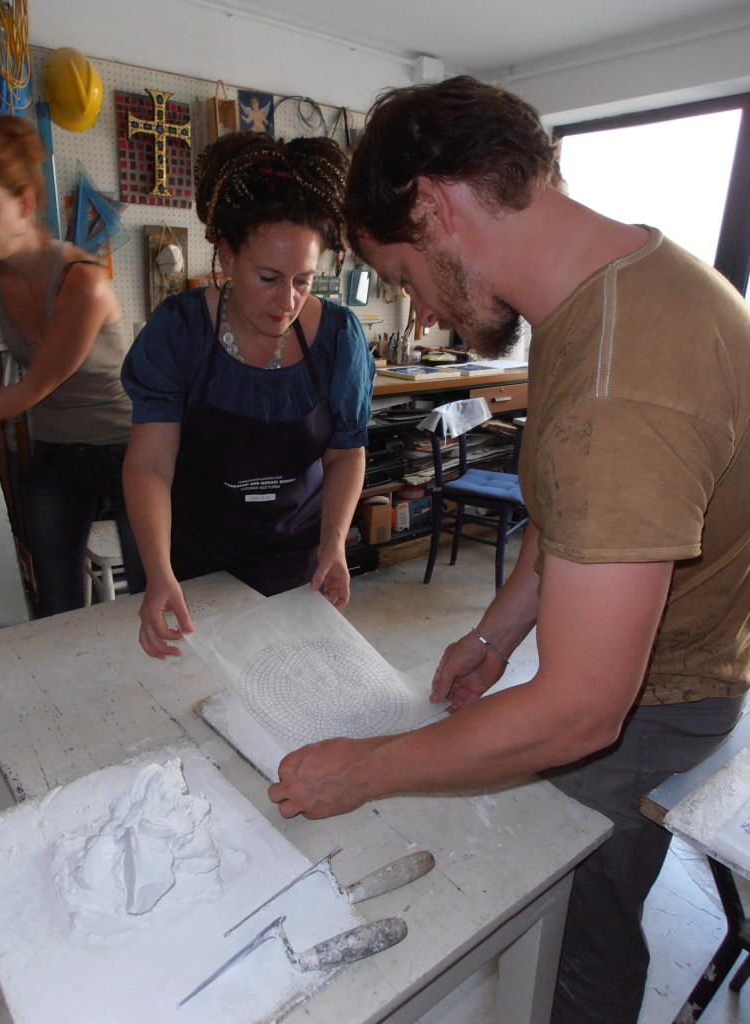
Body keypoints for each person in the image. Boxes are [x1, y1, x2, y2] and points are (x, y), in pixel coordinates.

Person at [267, 77, 750, 1024]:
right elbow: (575, 512)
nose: (421, 309)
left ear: (432, 205)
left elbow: (579, 711)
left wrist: (361, 768)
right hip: (657, 658)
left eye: (404, 275)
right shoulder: (617, 283)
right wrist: (495, 635)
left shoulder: (620, 383)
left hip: (665, 697)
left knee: (570, 921)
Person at [122, 132, 373, 660]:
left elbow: (346, 452)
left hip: (297, 560)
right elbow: (150, 465)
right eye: (268, 278)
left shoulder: (338, 338)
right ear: (228, 254)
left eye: (304, 280)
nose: (287, 300)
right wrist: (159, 570)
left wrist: (334, 542)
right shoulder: (180, 331)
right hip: (191, 564)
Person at [0, 115, 145, 617]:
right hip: (55, 449)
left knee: (150, 594)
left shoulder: (83, 282)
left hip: (128, 448)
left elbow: (30, 388)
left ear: (23, 205)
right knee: (56, 606)